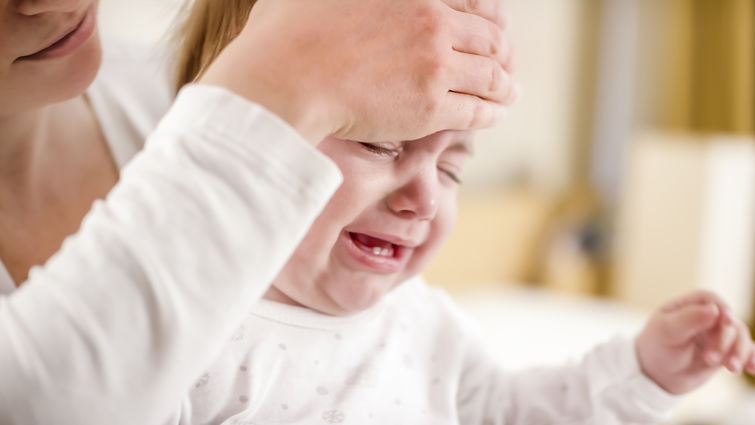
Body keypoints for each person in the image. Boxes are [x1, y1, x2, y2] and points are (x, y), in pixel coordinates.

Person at [159, 1, 755, 424]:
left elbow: (515, 414)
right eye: (381, 144)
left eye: (451, 170)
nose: (423, 198)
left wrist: (645, 371)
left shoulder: (424, 324)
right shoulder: (183, 338)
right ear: (243, 122)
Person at [0, 0, 518, 423]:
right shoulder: (216, 365)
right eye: (378, 145)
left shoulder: (410, 321)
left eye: (452, 169)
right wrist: (278, 89)